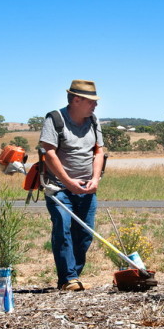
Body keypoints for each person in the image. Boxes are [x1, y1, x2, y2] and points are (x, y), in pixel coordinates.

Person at [40, 79, 105, 291]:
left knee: (85, 234)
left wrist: (95, 179)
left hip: (87, 188)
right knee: (63, 229)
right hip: (59, 188)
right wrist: (69, 182)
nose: (95, 105)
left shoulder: (93, 120)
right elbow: (48, 152)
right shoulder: (55, 119)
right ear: (76, 100)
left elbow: (98, 151)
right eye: (91, 101)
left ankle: (72, 277)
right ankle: (68, 278)